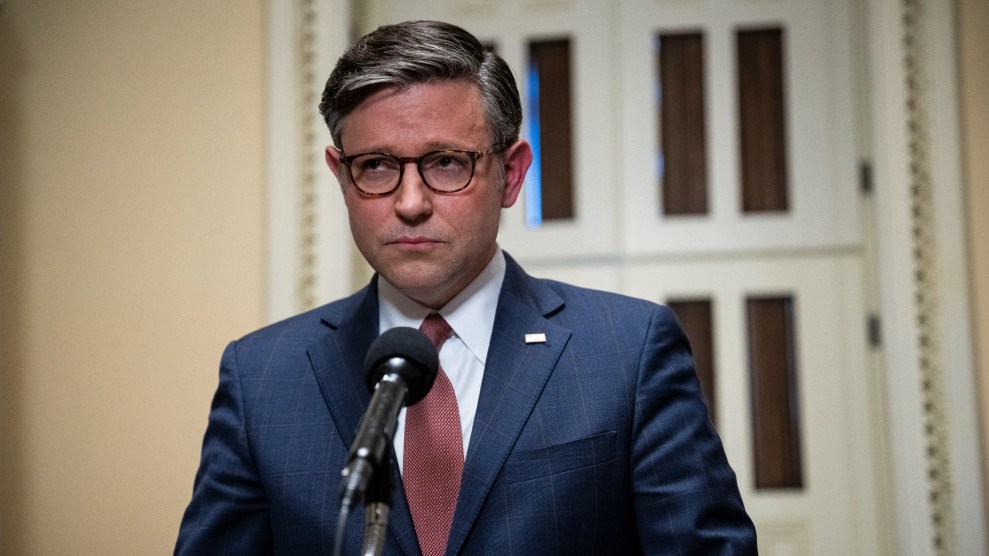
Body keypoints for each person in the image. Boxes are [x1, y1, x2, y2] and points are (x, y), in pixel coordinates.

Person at [176, 20, 757, 555]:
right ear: (340, 175)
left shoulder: (627, 352)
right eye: (376, 166)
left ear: (511, 174)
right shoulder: (261, 379)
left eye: (447, 163)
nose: (409, 203)